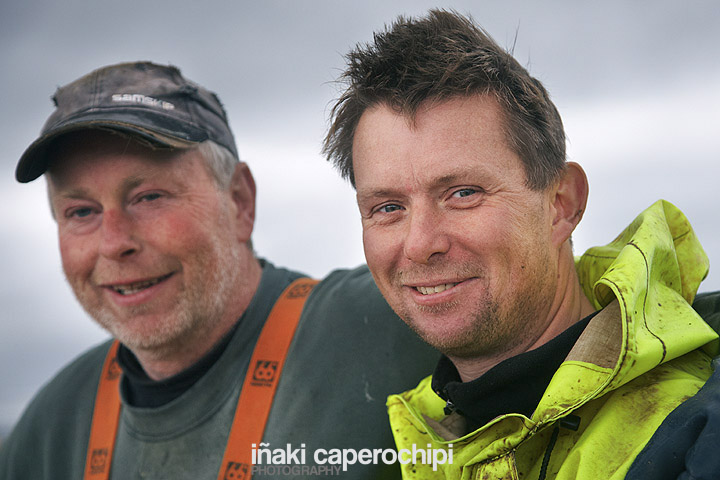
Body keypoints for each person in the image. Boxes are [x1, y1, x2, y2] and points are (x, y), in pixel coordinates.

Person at [323, 9, 720, 479]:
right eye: (388, 207)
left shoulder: (695, 432)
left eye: (463, 194)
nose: (419, 244)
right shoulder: (410, 442)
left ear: (561, 203)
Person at [0, 61, 438, 479]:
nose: (115, 243)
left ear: (239, 201)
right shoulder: (47, 432)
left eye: (149, 197)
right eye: (80, 212)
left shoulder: (403, 321)